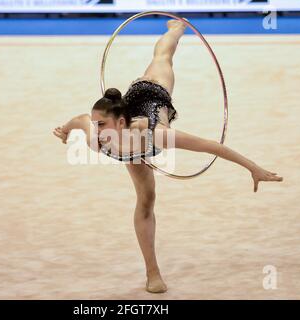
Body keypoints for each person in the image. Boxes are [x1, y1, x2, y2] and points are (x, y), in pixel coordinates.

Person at [53, 19, 283, 293]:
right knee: (147, 199)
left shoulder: (157, 134)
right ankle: (153, 272)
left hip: (153, 94)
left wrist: (253, 168)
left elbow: (212, 146)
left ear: (122, 123)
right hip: (132, 132)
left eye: (101, 124)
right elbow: (80, 119)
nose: (95, 129)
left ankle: (177, 29)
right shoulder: (97, 138)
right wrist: (65, 130)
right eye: (96, 124)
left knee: (163, 57)